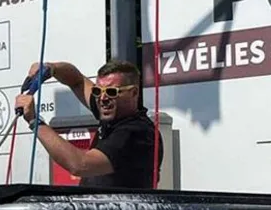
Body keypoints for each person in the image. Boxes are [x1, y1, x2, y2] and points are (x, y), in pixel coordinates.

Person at [13, 59, 163, 189]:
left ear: (134, 93)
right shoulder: (111, 112)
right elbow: (76, 80)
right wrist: (52, 68)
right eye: (98, 91)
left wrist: (35, 121)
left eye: (112, 92)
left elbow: (79, 164)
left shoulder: (137, 131)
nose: (102, 98)